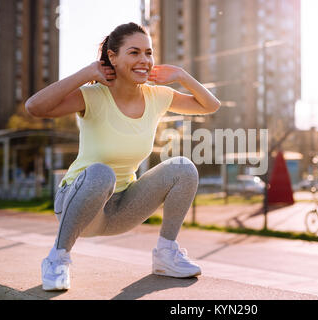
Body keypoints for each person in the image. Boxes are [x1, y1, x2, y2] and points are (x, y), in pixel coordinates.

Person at [25, 22, 221, 291]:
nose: (144, 60)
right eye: (134, 52)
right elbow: (34, 107)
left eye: (149, 53)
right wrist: (86, 73)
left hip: (121, 209)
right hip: (77, 205)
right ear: (112, 58)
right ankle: (57, 259)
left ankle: (166, 254)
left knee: (183, 168)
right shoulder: (93, 96)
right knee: (100, 172)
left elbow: (211, 106)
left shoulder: (157, 97)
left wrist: (182, 75)